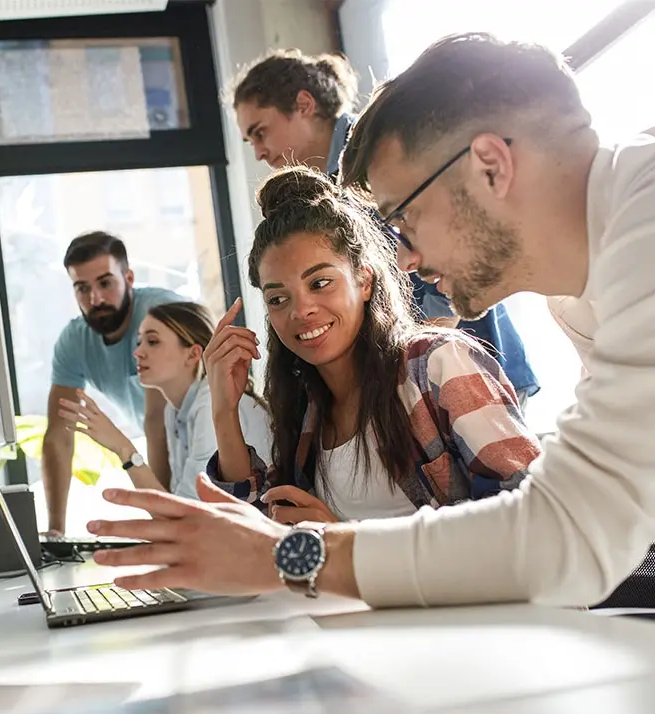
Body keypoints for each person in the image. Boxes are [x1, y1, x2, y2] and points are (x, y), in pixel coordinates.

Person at [84, 33, 655, 609]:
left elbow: (564, 532)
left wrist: (290, 555)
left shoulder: (644, 224)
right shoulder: (588, 288)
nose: (404, 256)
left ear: (490, 166)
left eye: (406, 217)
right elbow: (593, 522)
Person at [202, 168, 539, 524]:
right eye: (277, 299)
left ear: (364, 280)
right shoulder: (306, 409)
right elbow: (256, 531)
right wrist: (224, 410)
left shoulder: (437, 364)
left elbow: (529, 515)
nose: (301, 310)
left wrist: (343, 542)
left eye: (320, 283)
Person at [232, 48, 539, 410]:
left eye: (260, 132)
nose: (259, 153)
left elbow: (448, 273)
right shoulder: (329, 188)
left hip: (460, 368)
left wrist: (410, 371)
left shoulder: (379, 157)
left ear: (303, 104)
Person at [57, 301, 271, 500]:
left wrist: (123, 448)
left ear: (192, 354)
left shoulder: (209, 405)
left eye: (152, 341)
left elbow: (187, 515)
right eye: (139, 342)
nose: (138, 352)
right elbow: (179, 505)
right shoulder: (173, 411)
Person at [42, 231, 182, 533]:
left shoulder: (159, 316)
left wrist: (165, 522)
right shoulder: (74, 341)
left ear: (129, 277)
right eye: (82, 288)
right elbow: (59, 435)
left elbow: (156, 423)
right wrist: (56, 532)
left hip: (199, 445)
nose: (95, 299)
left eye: (105, 283)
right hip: (159, 455)